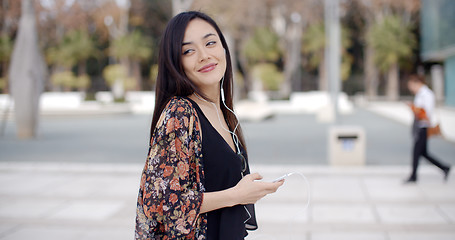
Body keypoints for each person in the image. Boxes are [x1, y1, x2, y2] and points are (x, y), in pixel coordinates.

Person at [135, 11, 284, 239]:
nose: (204, 55)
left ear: (224, 48)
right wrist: (238, 195)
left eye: (210, 43)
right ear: (175, 62)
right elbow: (164, 205)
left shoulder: (222, 111)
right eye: (188, 51)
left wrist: (248, 192)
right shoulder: (180, 112)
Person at [404, 74, 451, 183]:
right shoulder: (420, 94)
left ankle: (413, 176)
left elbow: (427, 113)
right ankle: (444, 168)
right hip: (419, 126)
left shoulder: (427, 94)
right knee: (423, 153)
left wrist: (415, 109)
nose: (411, 89)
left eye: (411, 86)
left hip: (423, 127)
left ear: (417, 83)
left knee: (417, 152)